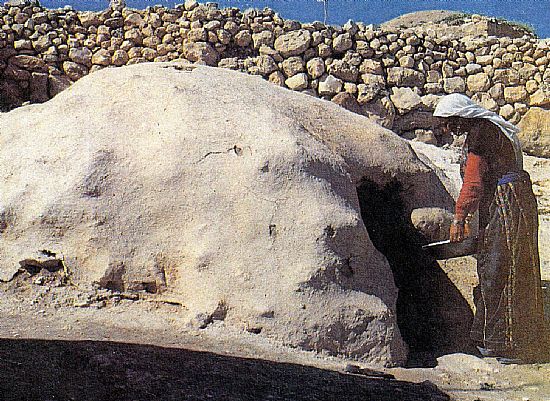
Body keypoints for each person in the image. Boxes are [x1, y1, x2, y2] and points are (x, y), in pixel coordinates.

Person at [433, 93, 546, 363]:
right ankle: (493, 340)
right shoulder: (483, 130)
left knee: (504, 267)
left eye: (449, 122)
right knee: (496, 264)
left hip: (509, 201)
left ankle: (510, 345)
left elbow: (473, 182)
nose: (447, 129)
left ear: (462, 117)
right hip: (504, 201)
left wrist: (460, 217)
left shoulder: (482, 132)